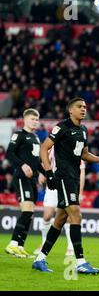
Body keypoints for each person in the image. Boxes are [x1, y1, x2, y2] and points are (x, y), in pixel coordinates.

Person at [32, 97, 99, 274]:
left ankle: (40, 259)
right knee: (76, 214)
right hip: (63, 177)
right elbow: (43, 148)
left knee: (60, 219)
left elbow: (84, 154)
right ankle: (80, 262)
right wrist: (48, 173)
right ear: (71, 110)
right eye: (79, 107)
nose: (83, 109)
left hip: (74, 178)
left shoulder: (83, 130)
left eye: (85, 106)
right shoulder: (62, 127)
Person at [4, 108, 45, 258]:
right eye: (33, 119)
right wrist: (22, 165)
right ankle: (12, 244)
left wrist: (46, 173)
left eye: (37, 119)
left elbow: (37, 161)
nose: (35, 122)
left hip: (32, 180)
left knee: (30, 214)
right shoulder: (19, 135)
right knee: (27, 210)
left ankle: (20, 246)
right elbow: (9, 153)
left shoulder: (35, 138)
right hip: (21, 177)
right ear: (25, 120)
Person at [34, 147, 86, 257]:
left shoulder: (75, 146)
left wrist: (80, 192)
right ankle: (43, 243)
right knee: (47, 216)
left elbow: (81, 170)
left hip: (67, 186)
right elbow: (45, 161)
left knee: (68, 217)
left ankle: (70, 246)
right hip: (52, 187)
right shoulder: (52, 147)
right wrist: (42, 174)